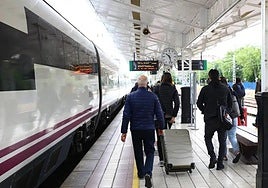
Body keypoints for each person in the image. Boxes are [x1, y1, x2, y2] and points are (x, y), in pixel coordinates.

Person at [121, 75, 164, 188]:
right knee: (150, 151)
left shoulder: (130, 97)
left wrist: (123, 131)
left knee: (138, 150)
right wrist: (161, 128)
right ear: (147, 83)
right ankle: (148, 172)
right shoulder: (153, 96)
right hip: (149, 128)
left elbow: (126, 115)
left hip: (135, 129)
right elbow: (159, 114)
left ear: (137, 83)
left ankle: (140, 173)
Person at [197, 69, 232, 170]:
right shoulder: (225, 88)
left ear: (210, 77)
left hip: (210, 119)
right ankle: (220, 163)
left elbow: (199, 103)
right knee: (222, 141)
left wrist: (205, 110)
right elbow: (230, 104)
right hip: (222, 120)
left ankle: (212, 156)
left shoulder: (205, 89)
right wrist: (226, 112)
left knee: (208, 138)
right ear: (219, 76)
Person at [153, 72, 180, 166]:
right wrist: (174, 116)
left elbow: (154, 102)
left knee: (160, 137)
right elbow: (177, 103)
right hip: (169, 116)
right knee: (168, 136)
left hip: (158, 116)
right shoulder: (173, 88)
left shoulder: (157, 88)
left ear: (162, 78)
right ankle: (169, 157)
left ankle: (161, 159)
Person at [220, 77, 244, 163]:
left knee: (223, 138)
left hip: (225, 118)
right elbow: (239, 106)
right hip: (234, 117)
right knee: (232, 136)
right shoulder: (233, 92)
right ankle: (237, 152)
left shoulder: (222, 92)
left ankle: (224, 155)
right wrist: (241, 117)